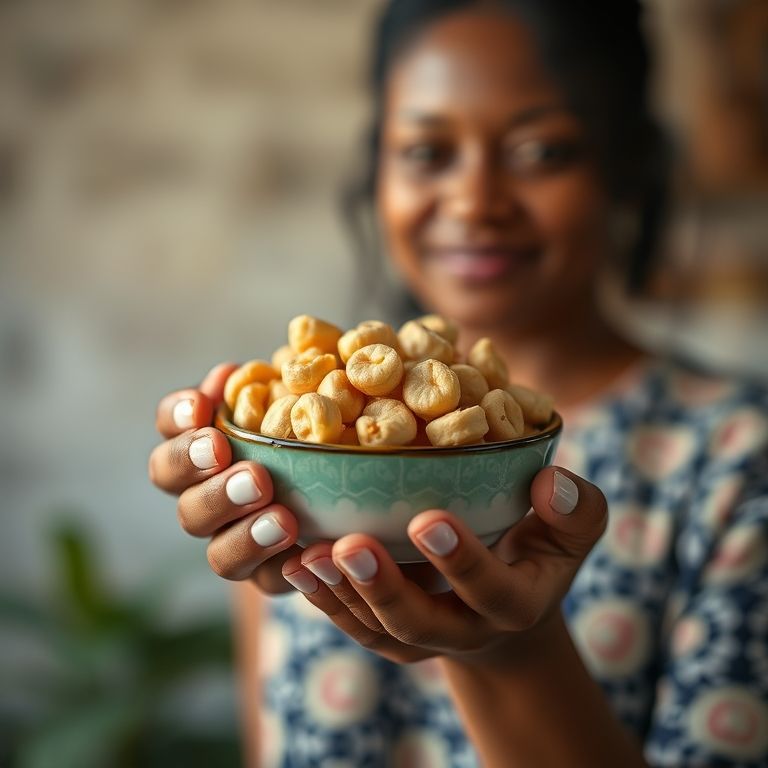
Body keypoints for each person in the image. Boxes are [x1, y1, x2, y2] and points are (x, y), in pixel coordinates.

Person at [149, 1, 768, 765]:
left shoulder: (743, 463)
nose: (475, 202)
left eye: (542, 152)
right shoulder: (292, 460)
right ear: (376, 168)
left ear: (626, 166)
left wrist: (510, 652)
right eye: (427, 152)